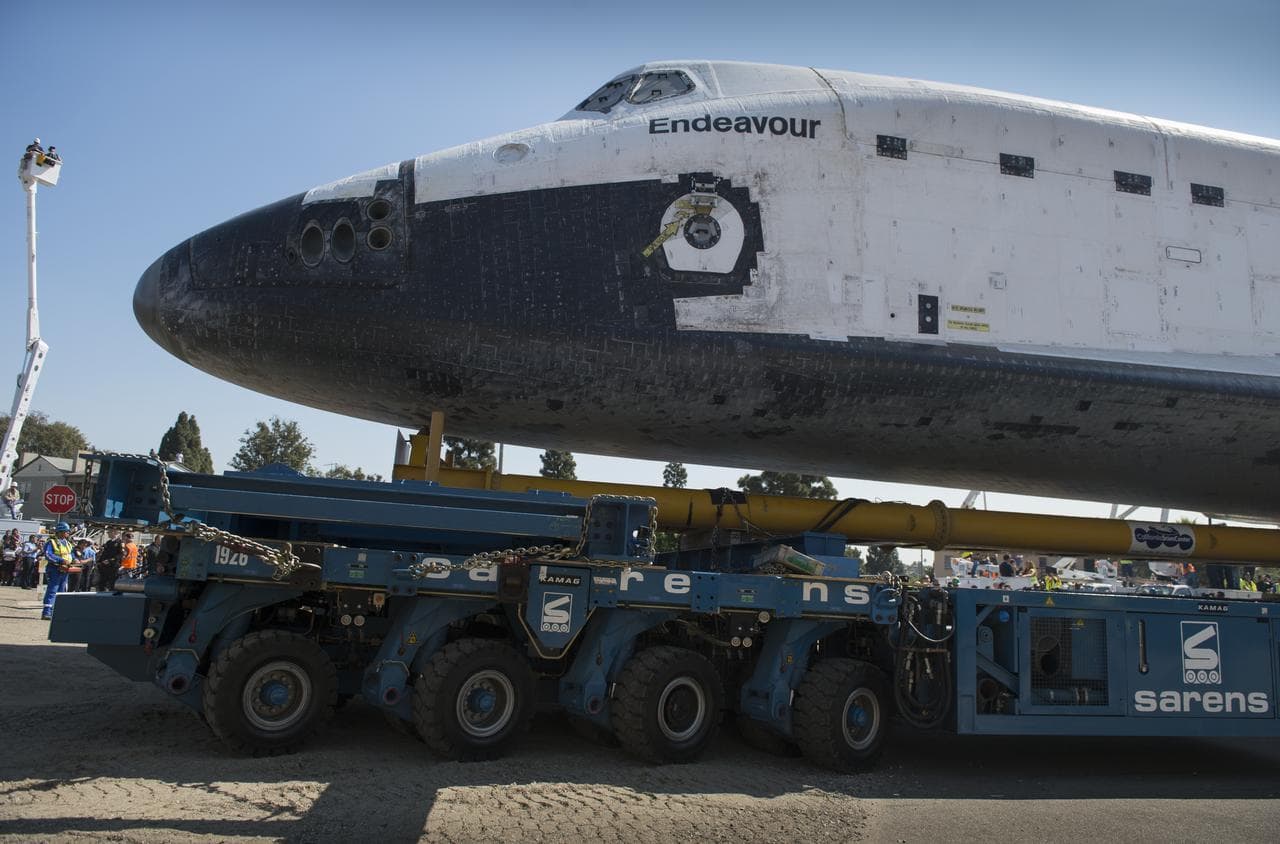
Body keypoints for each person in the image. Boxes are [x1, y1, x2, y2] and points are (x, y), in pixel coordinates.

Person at [40, 523, 75, 620]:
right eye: (66, 531)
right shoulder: (51, 542)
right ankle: (46, 612)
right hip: (54, 569)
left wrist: (75, 559)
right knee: (52, 590)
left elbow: (71, 554)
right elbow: (48, 555)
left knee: (61, 591)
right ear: (60, 532)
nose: (68, 533)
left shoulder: (68, 543)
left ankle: (57, 611)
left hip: (65, 569)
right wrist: (61, 560)